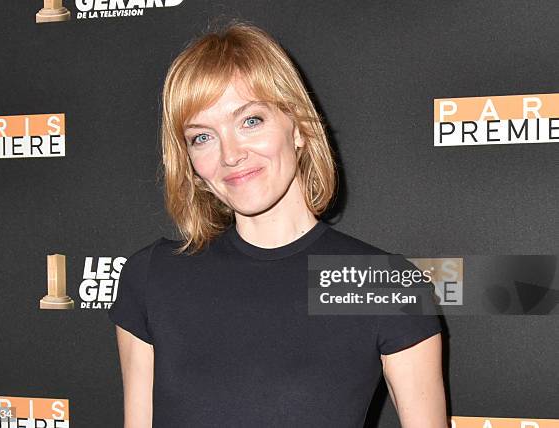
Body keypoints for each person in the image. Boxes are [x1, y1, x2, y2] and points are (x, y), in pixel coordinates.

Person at [108, 20, 448, 428]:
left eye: (250, 120)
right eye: (202, 136)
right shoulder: (151, 277)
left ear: (299, 127)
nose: (230, 154)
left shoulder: (377, 284)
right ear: (190, 162)